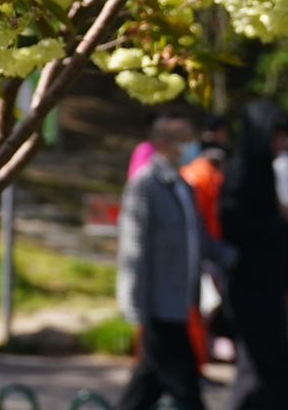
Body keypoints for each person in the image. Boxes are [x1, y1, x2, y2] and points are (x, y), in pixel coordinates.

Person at [115, 111, 210, 410]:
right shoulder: (146, 185)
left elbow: (198, 239)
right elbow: (134, 247)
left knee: (147, 384)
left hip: (179, 303)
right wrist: (134, 303)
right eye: (185, 139)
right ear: (165, 143)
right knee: (185, 385)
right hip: (159, 306)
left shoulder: (184, 186)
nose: (192, 146)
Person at [222, 101, 288, 410]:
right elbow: (234, 226)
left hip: (269, 284)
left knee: (272, 371)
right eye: (278, 135)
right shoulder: (241, 171)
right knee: (258, 372)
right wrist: (280, 222)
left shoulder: (266, 169)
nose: (284, 143)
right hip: (251, 285)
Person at [183, 115, 230, 368]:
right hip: (206, 249)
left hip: (195, 249)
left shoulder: (189, 173)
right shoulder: (209, 177)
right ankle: (199, 358)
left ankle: (200, 356)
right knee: (203, 308)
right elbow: (211, 217)